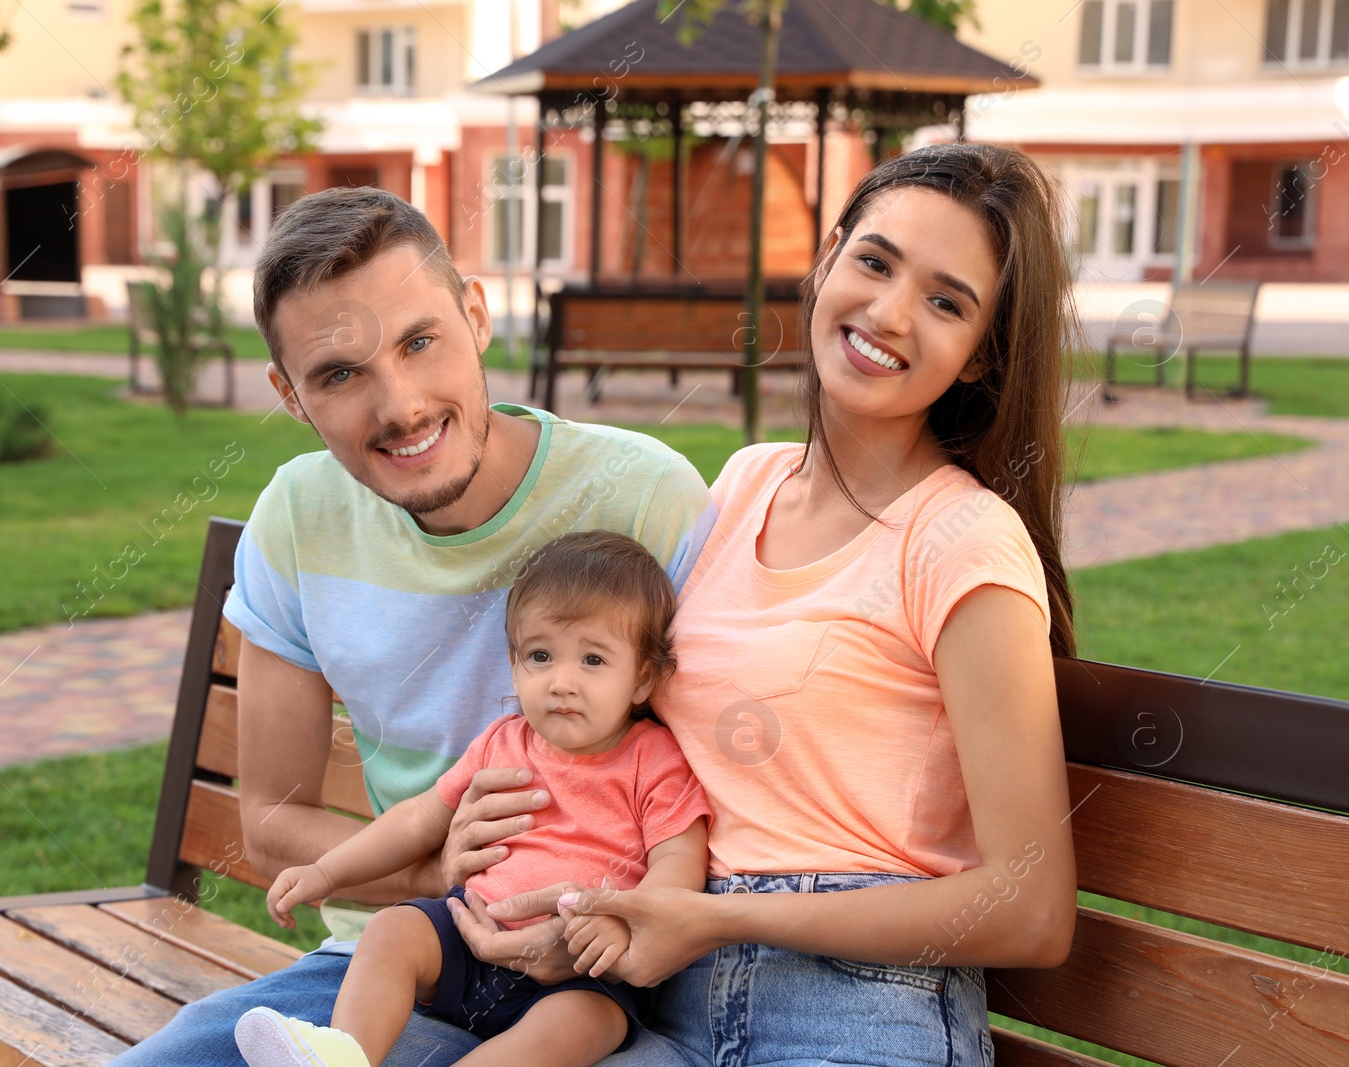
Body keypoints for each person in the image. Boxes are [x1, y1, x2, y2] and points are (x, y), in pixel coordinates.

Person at [455, 142, 1082, 1067]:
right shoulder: (745, 483)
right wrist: (581, 905)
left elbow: (1032, 910)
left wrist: (714, 915)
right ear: (828, 258)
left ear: (983, 354)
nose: (888, 312)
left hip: (858, 1019)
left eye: (945, 302)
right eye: (874, 262)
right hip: (666, 1006)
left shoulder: (965, 544)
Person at [108, 188, 715, 1067]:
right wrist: (437, 875)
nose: (399, 406)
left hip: (612, 983)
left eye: (419, 341)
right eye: (340, 374)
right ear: (290, 395)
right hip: (402, 958)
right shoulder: (297, 516)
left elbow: (721, 802)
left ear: (476, 314)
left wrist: (596, 917)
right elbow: (275, 817)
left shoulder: (643, 499)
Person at [234, 531, 711, 1067]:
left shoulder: (653, 759)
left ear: (643, 678)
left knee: (585, 1025)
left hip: (579, 971)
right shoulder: (502, 742)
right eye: (540, 655)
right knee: (393, 930)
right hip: (465, 935)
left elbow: (679, 860)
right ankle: (345, 1055)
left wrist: (624, 919)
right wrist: (325, 873)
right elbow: (418, 820)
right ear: (513, 666)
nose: (561, 681)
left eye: (593, 660)